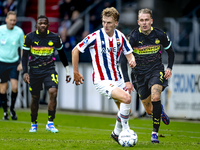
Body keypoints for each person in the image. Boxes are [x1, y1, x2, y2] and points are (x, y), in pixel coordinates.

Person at [72, 7, 136, 144]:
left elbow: (129, 53)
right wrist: (75, 72)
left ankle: (116, 133)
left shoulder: (120, 36)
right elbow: (75, 50)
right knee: (126, 98)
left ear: (116, 23)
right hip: (102, 80)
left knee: (126, 109)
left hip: (117, 78)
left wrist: (132, 60)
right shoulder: (95, 36)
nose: (105, 25)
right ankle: (126, 133)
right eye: (104, 22)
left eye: (109, 22)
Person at [120, 8, 175, 143]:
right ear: (138, 22)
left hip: (156, 70)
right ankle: (159, 111)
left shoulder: (159, 35)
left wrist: (169, 68)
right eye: (142, 20)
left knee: (156, 96)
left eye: (147, 20)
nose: (144, 23)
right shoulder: (133, 37)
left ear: (151, 21)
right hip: (139, 75)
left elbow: (171, 52)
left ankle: (154, 133)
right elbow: (122, 58)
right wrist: (127, 81)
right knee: (150, 110)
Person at [22, 15, 71, 133]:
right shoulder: (29, 37)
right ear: (36, 25)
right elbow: (24, 57)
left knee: (53, 92)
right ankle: (33, 123)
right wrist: (24, 72)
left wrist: (68, 70)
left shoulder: (54, 38)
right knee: (35, 97)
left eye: (45, 23)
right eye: (40, 23)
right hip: (34, 71)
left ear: (48, 25)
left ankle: (50, 122)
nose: (42, 25)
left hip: (49, 69)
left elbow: (62, 54)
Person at [0, 11, 24, 120]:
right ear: (6, 20)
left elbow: (24, 48)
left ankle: (12, 109)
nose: (12, 22)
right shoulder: (1, 30)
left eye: (14, 20)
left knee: (14, 87)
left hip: (14, 63)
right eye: (11, 20)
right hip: (1, 62)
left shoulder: (19, 32)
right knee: (3, 89)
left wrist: (22, 62)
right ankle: (5, 112)